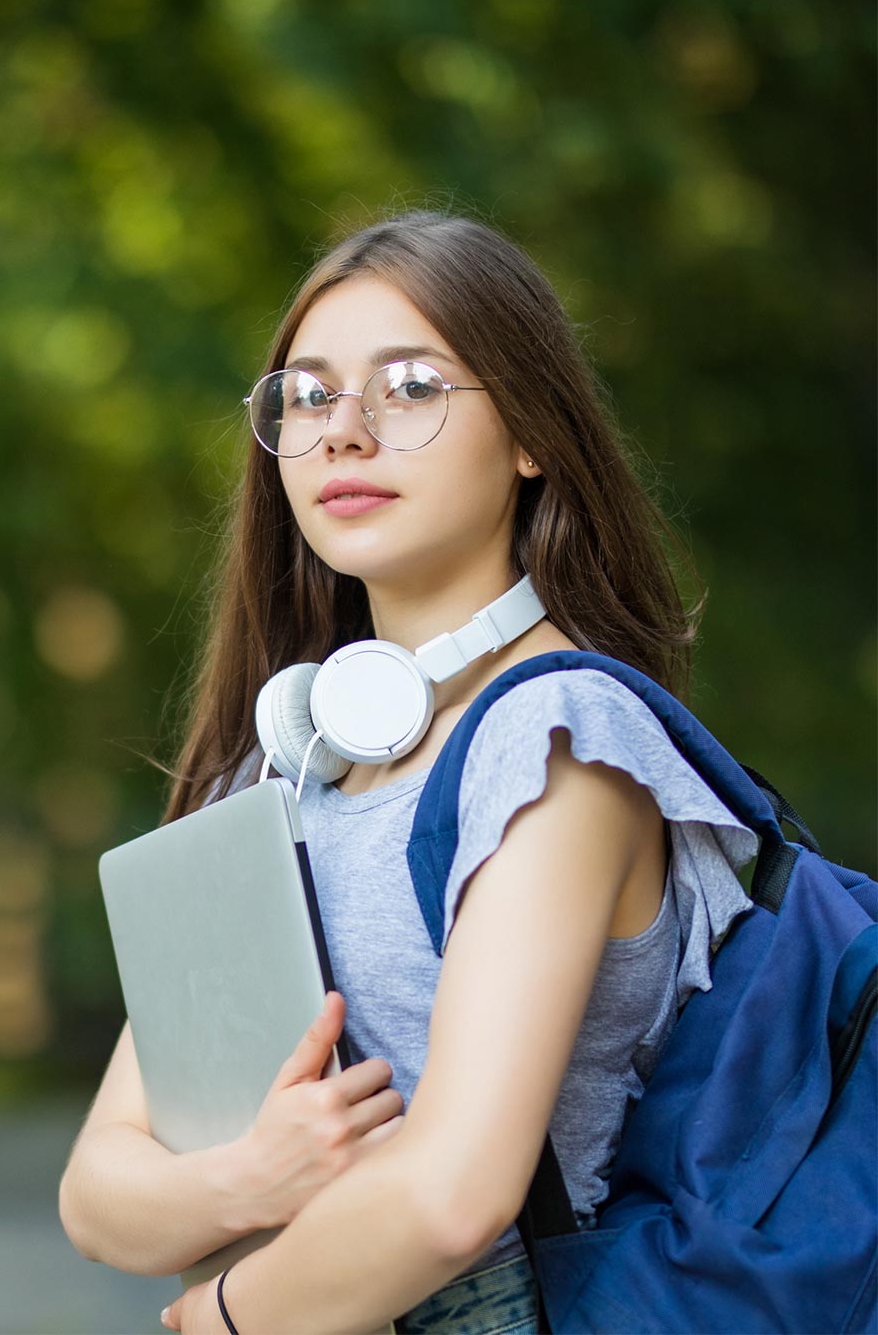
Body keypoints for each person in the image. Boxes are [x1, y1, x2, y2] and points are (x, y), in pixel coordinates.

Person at [56, 209, 760, 1334]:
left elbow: (454, 1195)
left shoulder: (560, 739)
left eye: (414, 386)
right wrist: (250, 1181)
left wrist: (217, 1319)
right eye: (310, 394)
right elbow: (98, 1191)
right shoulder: (284, 767)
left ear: (532, 433)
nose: (345, 431)